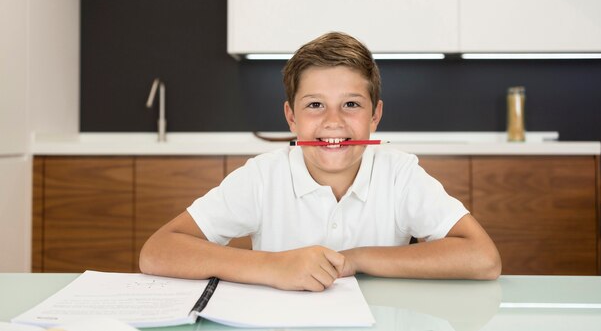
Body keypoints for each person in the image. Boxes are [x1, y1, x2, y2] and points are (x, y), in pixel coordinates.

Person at [139, 32, 501, 291]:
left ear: (374, 117)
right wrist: (273, 266)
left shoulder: (399, 173)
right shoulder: (264, 176)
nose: (333, 121)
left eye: (351, 104)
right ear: (291, 117)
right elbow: (157, 252)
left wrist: (355, 259)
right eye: (315, 105)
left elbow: (483, 259)